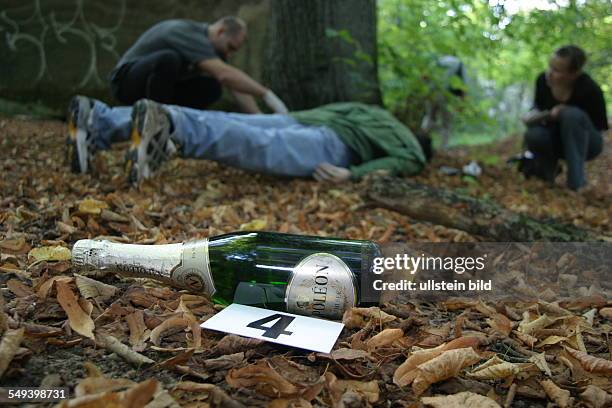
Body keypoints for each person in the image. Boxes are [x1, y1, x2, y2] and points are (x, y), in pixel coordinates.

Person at [65, 96, 426, 184]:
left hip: (299, 118)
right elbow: (412, 161)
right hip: (331, 143)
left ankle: (98, 120)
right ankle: (170, 128)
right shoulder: (406, 137)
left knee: (217, 119)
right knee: (254, 144)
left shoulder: (372, 110)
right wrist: (356, 173)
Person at [108, 16, 287, 114]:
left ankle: (174, 124)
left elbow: (235, 86)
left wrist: (262, 121)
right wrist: (266, 94)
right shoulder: (185, 32)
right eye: (230, 47)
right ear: (221, 31)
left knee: (212, 88)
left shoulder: (214, 51)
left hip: (159, 89)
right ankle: (155, 120)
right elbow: (225, 74)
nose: (229, 54)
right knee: (169, 59)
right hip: (125, 83)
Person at [521, 45, 607, 191]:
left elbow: (599, 128)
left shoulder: (589, 89)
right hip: (552, 138)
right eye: (550, 67)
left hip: (588, 145)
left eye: (557, 70)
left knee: (571, 115)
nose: (550, 73)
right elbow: (537, 110)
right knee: (534, 134)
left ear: (574, 74)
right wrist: (545, 116)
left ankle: (576, 183)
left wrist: (568, 114)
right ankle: (546, 176)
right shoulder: (543, 81)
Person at [420, 55, 467, 149]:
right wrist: (463, 102)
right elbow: (463, 84)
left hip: (432, 92)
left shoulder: (437, 61)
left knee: (429, 118)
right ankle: (443, 148)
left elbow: (424, 77)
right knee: (446, 124)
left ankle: (422, 144)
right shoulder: (459, 63)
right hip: (448, 96)